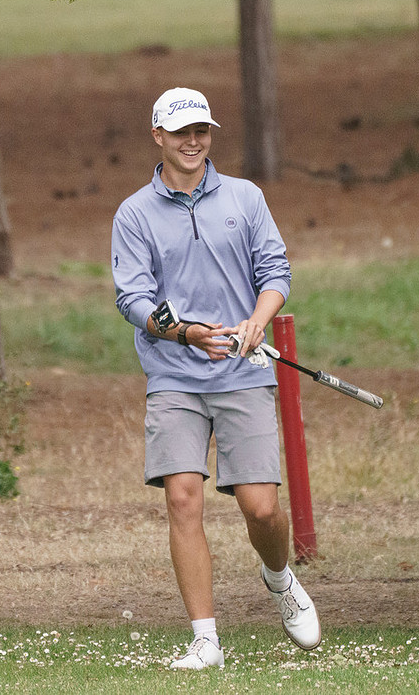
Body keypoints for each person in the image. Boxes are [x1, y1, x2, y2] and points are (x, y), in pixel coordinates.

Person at [111, 87, 321, 671]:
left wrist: (258, 320)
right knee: (183, 498)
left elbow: (275, 272)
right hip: (174, 374)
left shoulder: (245, 197)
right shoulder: (134, 214)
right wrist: (184, 333)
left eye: (200, 130)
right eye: (180, 132)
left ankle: (279, 578)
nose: (192, 141)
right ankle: (205, 640)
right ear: (158, 136)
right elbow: (133, 299)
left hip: (241, 371)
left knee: (261, 508)